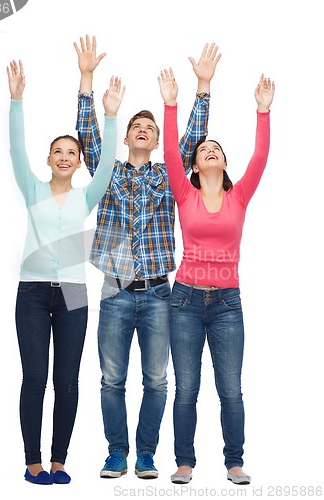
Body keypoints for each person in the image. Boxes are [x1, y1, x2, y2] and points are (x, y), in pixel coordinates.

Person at [74, 34, 221, 479]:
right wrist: (86, 78)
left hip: (160, 295)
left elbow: (192, 138)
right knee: (111, 381)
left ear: (157, 141)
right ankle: (116, 452)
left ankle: (145, 453)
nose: (143, 128)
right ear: (128, 137)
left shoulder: (168, 174)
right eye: (137, 125)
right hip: (115, 292)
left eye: (150, 126)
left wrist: (203, 88)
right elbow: (87, 136)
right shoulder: (109, 172)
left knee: (157, 381)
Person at [7, 59, 125, 485]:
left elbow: (108, 166)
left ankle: (60, 461)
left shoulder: (85, 197)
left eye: (71, 153)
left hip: (74, 292)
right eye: (57, 151)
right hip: (33, 292)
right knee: (35, 377)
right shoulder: (33, 188)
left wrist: (111, 117)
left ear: (78, 164)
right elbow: (16, 150)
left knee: (68, 381)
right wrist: (16, 101)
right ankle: (32, 461)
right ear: (48, 159)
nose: (64, 156)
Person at [159, 67, 275, 484]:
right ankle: (185, 462)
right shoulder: (184, 193)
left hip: (227, 303)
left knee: (231, 390)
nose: (210, 149)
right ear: (194, 164)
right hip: (185, 300)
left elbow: (260, 158)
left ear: (225, 163)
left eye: (217, 148)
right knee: (186, 388)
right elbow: (171, 152)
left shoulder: (239, 195)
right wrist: (171, 104)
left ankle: (234, 462)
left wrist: (262, 112)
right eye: (203, 148)